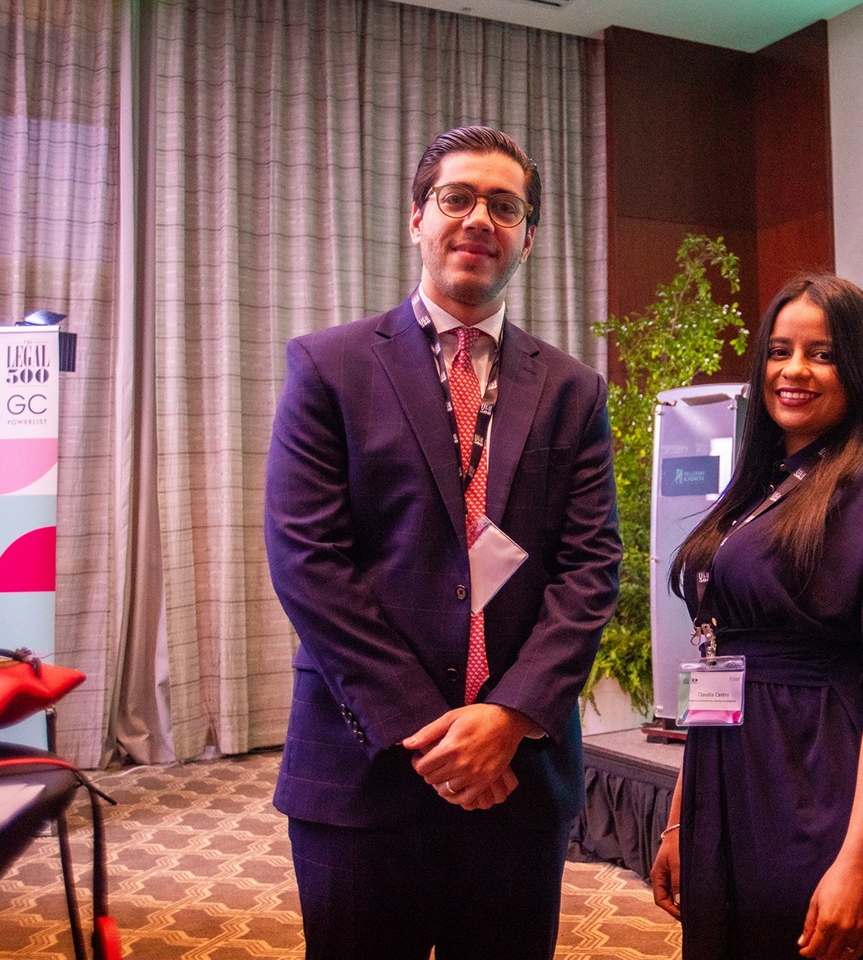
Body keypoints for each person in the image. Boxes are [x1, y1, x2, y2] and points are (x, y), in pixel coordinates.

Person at [264, 125, 620, 960]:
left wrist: (509, 718)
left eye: (505, 206)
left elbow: (590, 568)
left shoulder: (572, 390)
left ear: (528, 237)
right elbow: (308, 561)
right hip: (362, 770)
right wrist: (436, 734)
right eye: (456, 198)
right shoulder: (329, 366)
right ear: (417, 218)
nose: (479, 219)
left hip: (517, 777)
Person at [650, 275, 863, 960]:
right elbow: (718, 663)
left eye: (822, 354)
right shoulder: (754, 486)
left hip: (822, 777)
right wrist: (680, 817)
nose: (794, 370)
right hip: (734, 772)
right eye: (779, 351)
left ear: (859, 368)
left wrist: (859, 861)